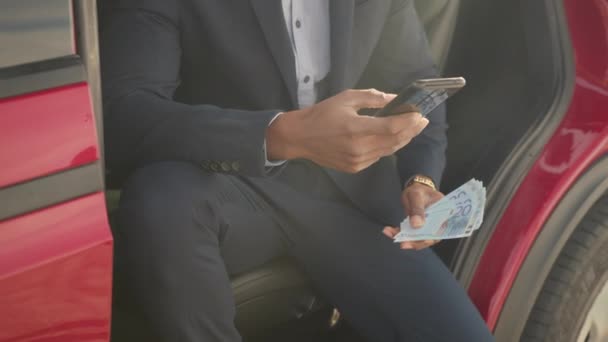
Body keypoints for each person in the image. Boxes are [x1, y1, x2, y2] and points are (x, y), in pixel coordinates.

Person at [100, 1, 494, 341]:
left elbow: (418, 82)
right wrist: (281, 135)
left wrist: (421, 179)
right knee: (159, 200)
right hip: (229, 185)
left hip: (356, 200)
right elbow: (126, 114)